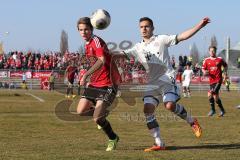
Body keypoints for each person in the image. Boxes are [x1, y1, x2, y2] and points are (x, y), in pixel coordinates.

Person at [114, 17, 210, 152]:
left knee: (169, 105)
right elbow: (121, 55)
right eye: (141, 27)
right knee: (147, 109)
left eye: (147, 26)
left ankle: (192, 121)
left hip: (166, 79)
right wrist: (106, 54)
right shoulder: (138, 47)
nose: (144, 29)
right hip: (151, 83)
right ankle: (159, 143)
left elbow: (182, 36)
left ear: (152, 28)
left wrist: (199, 26)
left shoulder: (161, 40)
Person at [76, 17, 120, 151]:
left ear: (92, 29)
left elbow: (101, 60)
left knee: (97, 119)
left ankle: (113, 138)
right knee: (80, 111)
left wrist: (86, 74)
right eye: (81, 30)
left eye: (86, 30)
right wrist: (91, 77)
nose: (83, 32)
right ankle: (101, 113)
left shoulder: (96, 41)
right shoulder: (87, 44)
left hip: (108, 83)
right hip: (95, 83)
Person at [202, 46, 227, 117]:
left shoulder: (220, 59)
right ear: (209, 51)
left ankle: (213, 110)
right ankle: (222, 110)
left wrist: (224, 73)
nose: (212, 52)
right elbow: (203, 69)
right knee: (216, 97)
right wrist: (204, 72)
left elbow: (225, 66)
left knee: (210, 94)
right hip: (211, 81)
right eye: (211, 51)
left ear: (215, 51)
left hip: (218, 80)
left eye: (213, 51)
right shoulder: (206, 60)